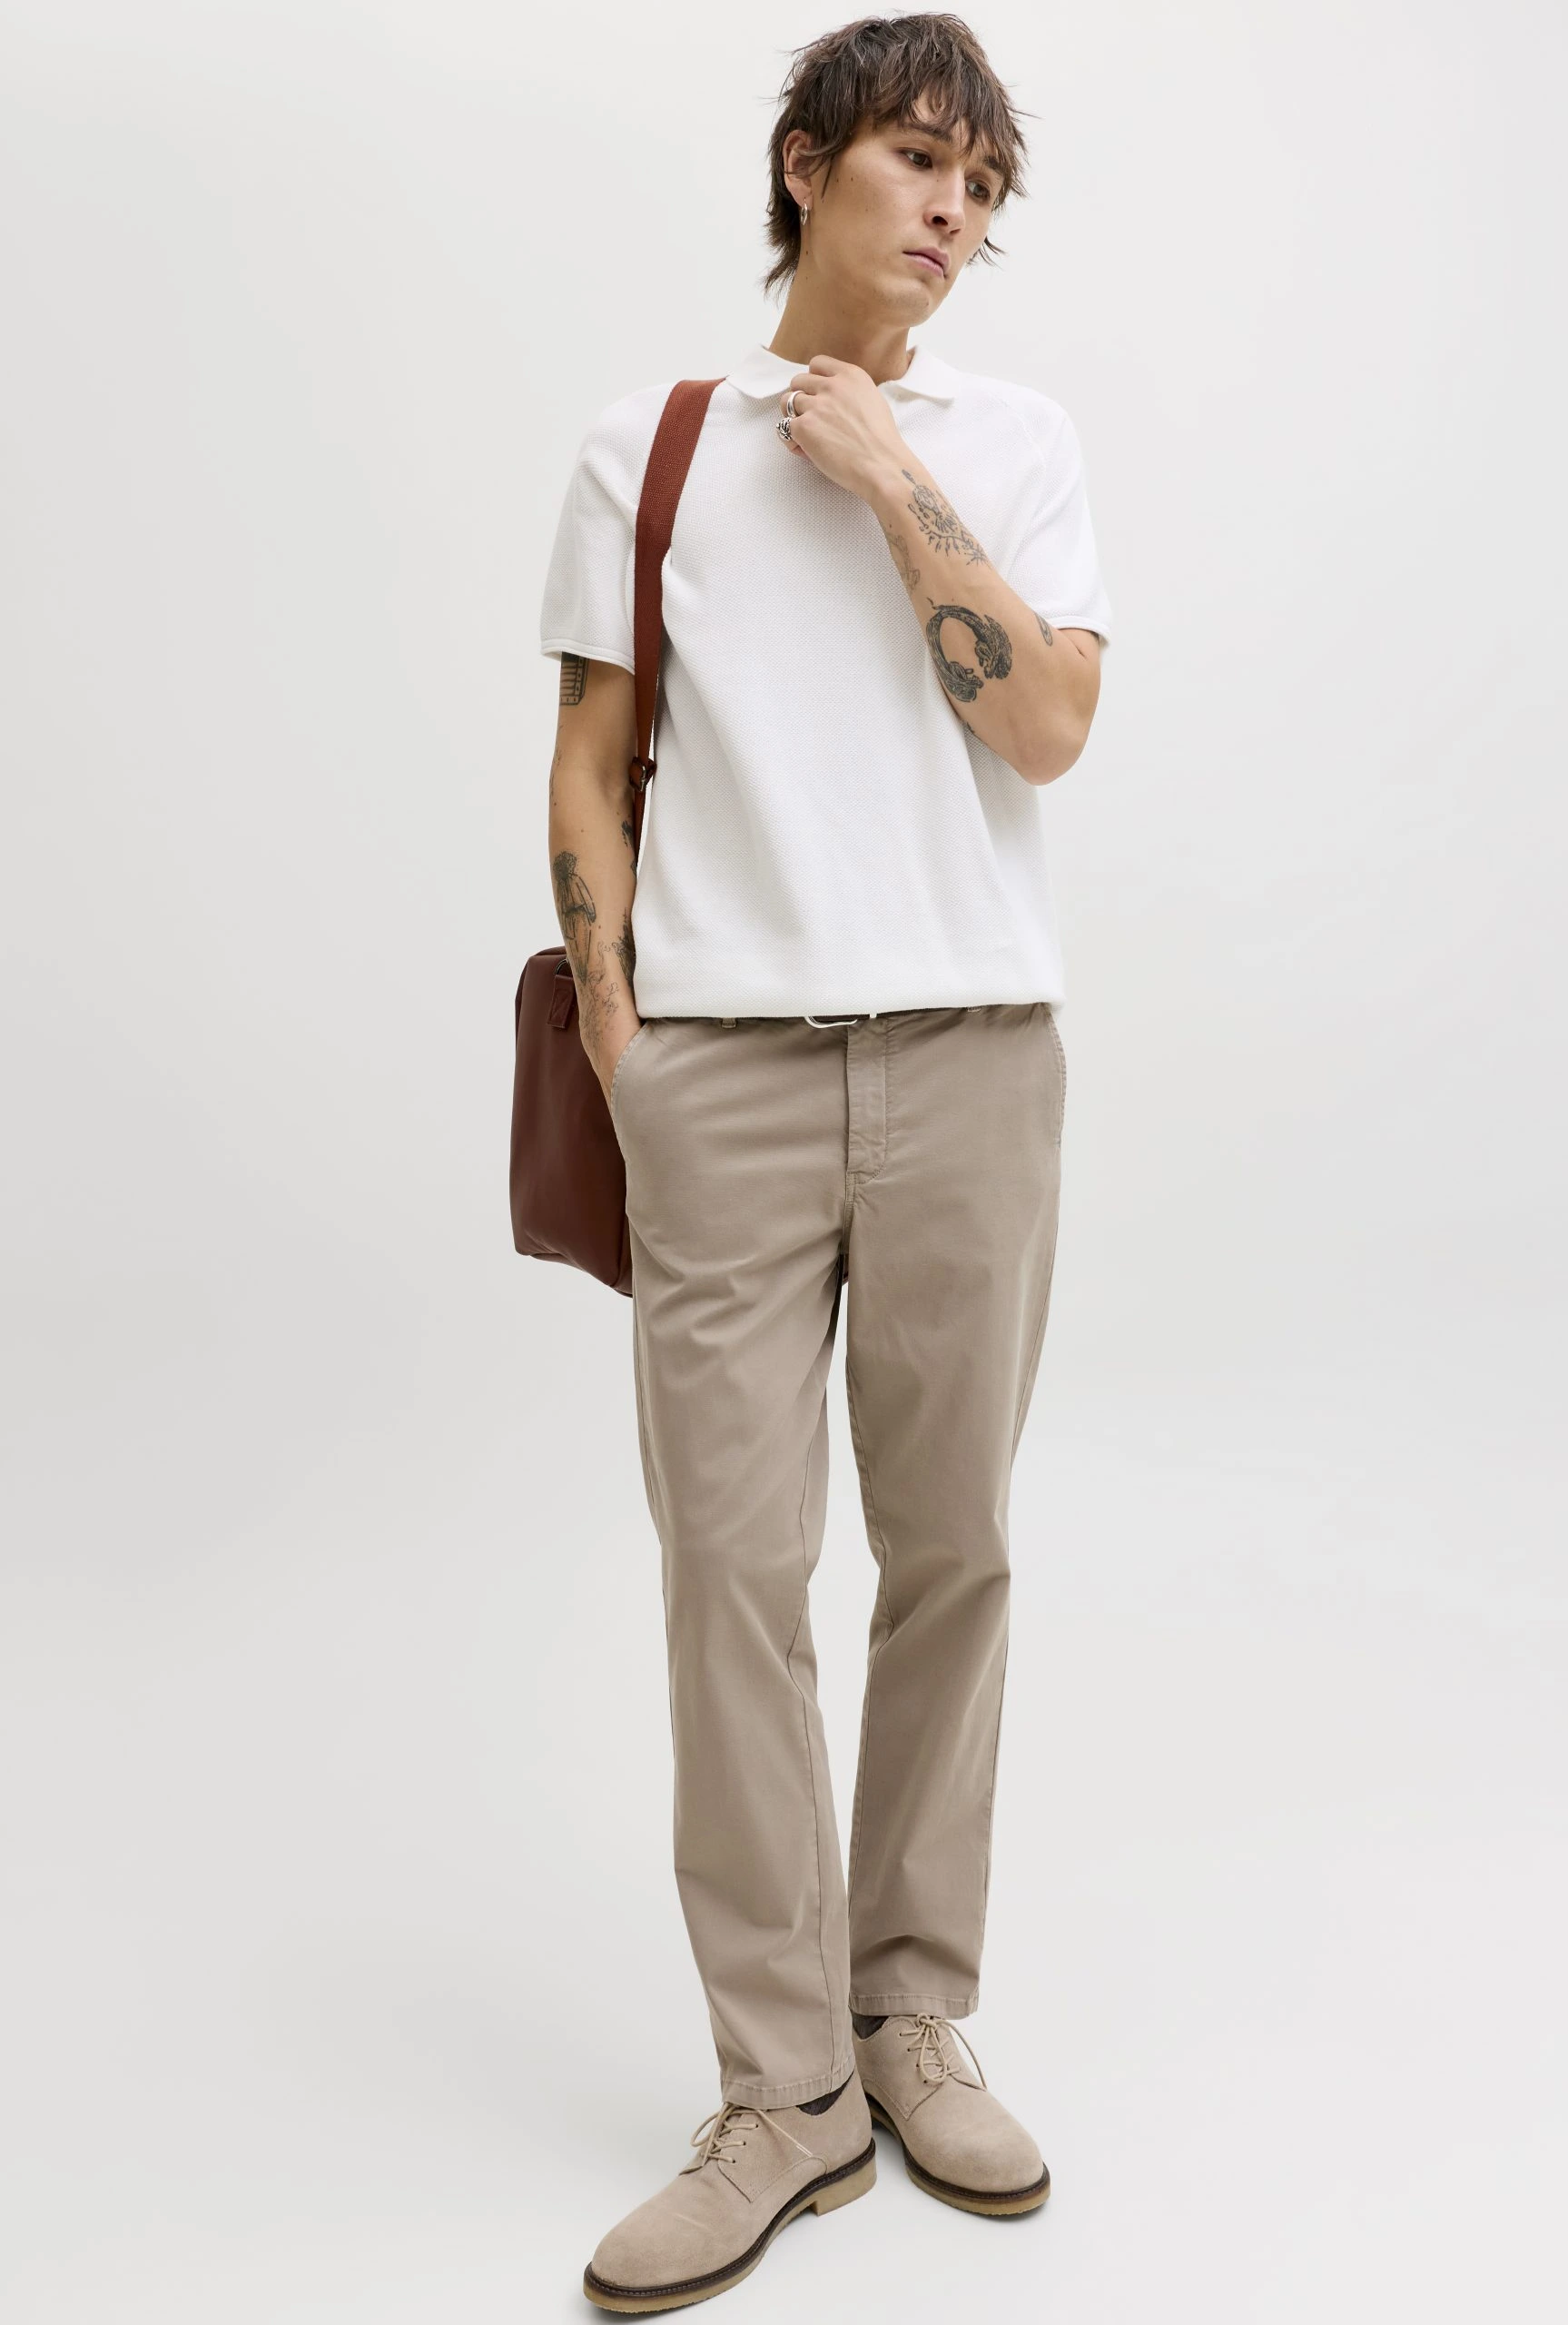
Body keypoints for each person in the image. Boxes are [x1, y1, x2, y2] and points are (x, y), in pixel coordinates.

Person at [539, 15, 1111, 2310]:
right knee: (731, 1570)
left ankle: (908, 2012)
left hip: (973, 1056)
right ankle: (782, 2088)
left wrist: (890, 477)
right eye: (916, 159)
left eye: (984, 181)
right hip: (726, 1076)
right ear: (804, 166)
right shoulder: (650, 444)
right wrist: (626, 1041)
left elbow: (1046, 725)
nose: (954, 208)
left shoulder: (1013, 445)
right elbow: (589, 761)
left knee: (952, 1548)